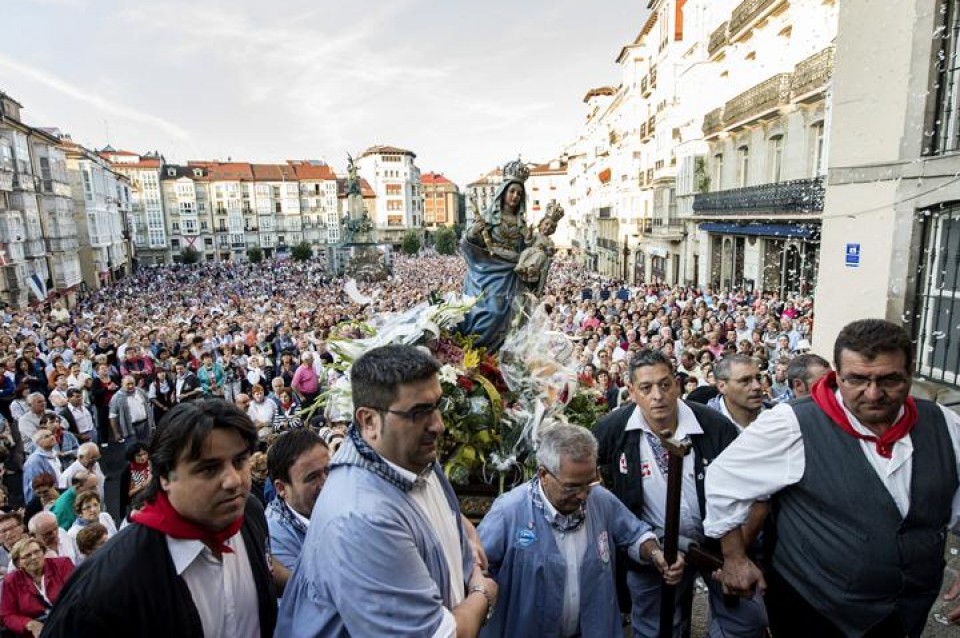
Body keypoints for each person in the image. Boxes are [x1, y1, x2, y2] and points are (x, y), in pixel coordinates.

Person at [705, 319, 960, 636]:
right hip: (814, 608)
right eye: (857, 380)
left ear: (910, 373)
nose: (873, 393)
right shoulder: (792, 423)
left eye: (889, 380)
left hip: (907, 609)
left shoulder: (944, 425)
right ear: (836, 376)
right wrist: (734, 558)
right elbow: (722, 479)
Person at [277, 344, 497, 637]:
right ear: (369, 422)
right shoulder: (360, 518)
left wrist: (468, 549)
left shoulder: (419, 460)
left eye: (437, 406)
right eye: (419, 412)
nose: (439, 425)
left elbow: (449, 526)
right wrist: (483, 593)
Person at [43, 400, 277, 637]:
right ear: (165, 476)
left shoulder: (250, 513)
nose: (233, 480)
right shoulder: (106, 587)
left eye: (239, 461)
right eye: (209, 469)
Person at [594, 349, 767, 638]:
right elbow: (586, 473)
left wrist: (734, 555)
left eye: (664, 384)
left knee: (747, 620)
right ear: (632, 392)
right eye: (646, 388)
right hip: (655, 547)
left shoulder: (715, 426)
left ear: (677, 384)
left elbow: (751, 492)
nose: (658, 396)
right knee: (656, 627)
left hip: (719, 545)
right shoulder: (613, 429)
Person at [477, 422, 682, 638]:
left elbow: (635, 534)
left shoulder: (600, 500)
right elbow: (477, 567)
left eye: (590, 482)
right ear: (543, 475)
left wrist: (655, 553)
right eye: (572, 487)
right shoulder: (509, 511)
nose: (583, 495)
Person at [458, 158, 531, 351]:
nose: (515, 196)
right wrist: (474, 232)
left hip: (510, 274)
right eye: (512, 191)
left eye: (519, 193)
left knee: (510, 316)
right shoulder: (489, 216)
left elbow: (526, 251)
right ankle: (476, 350)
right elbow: (469, 241)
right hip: (487, 270)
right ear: (504, 191)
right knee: (491, 312)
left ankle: (494, 354)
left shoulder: (522, 224)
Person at [265, 429, 329, 580]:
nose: (326, 483)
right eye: (312, 477)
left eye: (328, 470)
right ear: (281, 488)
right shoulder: (273, 536)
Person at [0, 537, 74, 637]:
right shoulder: (11, 580)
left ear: (43, 552)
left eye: (37, 552)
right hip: (39, 632)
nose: (34, 557)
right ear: (18, 563)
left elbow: (77, 593)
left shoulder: (62, 564)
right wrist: (29, 624)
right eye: (27, 556)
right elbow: (7, 615)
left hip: (69, 621)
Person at [706, 354, 765, 431]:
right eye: (745, 380)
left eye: (758, 378)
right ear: (722, 386)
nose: (757, 386)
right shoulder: (704, 425)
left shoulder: (776, 418)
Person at [108, 375, 153, 445]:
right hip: (130, 428)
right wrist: (116, 433)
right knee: (132, 449)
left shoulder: (140, 391)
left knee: (146, 446)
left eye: (132, 383)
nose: (130, 386)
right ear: (122, 384)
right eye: (128, 384)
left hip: (145, 424)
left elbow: (148, 403)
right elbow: (112, 416)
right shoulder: (116, 397)